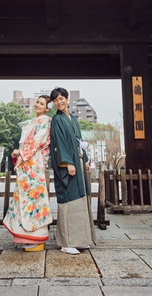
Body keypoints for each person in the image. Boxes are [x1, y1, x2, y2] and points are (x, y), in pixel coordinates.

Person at [2, 95, 53, 251]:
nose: (37, 105)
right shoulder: (32, 121)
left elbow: (38, 141)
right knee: (23, 197)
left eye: (42, 103)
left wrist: (21, 151)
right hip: (26, 164)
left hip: (34, 164)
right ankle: (25, 235)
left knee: (34, 198)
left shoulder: (45, 121)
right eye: (37, 102)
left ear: (47, 108)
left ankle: (37, 236)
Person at [49, 86, 96, 255]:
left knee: (81, 200)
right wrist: (67, 163)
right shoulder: (57, 120)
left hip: (79, 161)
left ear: (67, 99)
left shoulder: (73, 118)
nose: (59, 102)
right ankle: (66, 242)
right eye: (55, 100)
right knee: (69, 199)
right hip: (69, 163)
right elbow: (59, 144)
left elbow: (79, 141)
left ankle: (80, 240)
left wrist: (86, 159)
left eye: (61, 98)